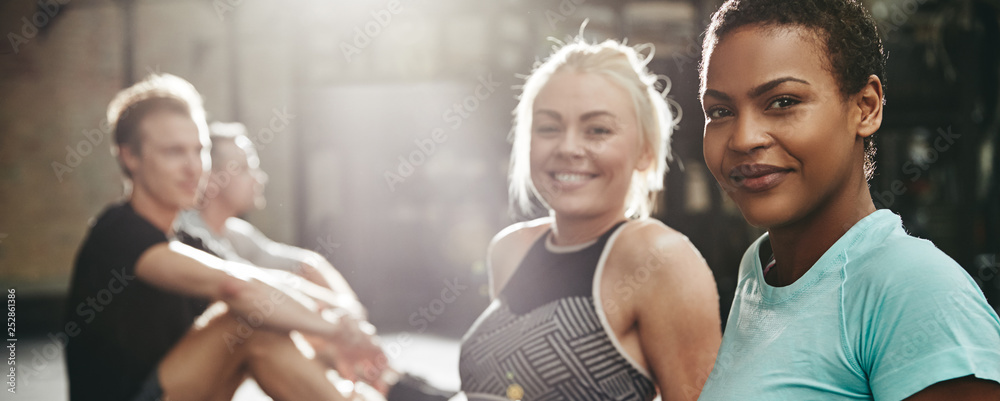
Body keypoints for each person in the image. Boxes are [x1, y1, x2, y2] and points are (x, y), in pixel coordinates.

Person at [696, 0, 1000, 399]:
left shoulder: (917, 290)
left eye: (783, 102)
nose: (743, 138)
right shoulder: (760, 272)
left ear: (866, 107)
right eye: (720, 111)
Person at [64, 73, 386, 401]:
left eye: (199, 150)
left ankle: (364, 394)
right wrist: (337, 331)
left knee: (276, 324)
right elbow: (236, 287)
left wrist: (346, 319)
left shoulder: (190, 242)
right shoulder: (118, 231)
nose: (193, 167)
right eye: (174, 152)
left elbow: (267, 283)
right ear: (130, 157)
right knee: (244, 324)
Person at [458, 35, 722, 401]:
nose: (568, 148)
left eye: (598, 130)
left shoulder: (658, 256)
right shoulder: (509, 248)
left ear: (645, 151)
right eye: (548, 127)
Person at [175, 121, 455, 401]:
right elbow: (258, 289)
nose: (260, 178)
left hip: (220, 361)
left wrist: (349, 313)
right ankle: (390, 391)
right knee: (269, 327)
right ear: (212, 178)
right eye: (246, 168)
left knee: (303, 331)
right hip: (187, 372)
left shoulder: (235, 233)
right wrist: (340, 328)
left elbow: (307, 266)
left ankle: (394, 387)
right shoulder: (189, 235)